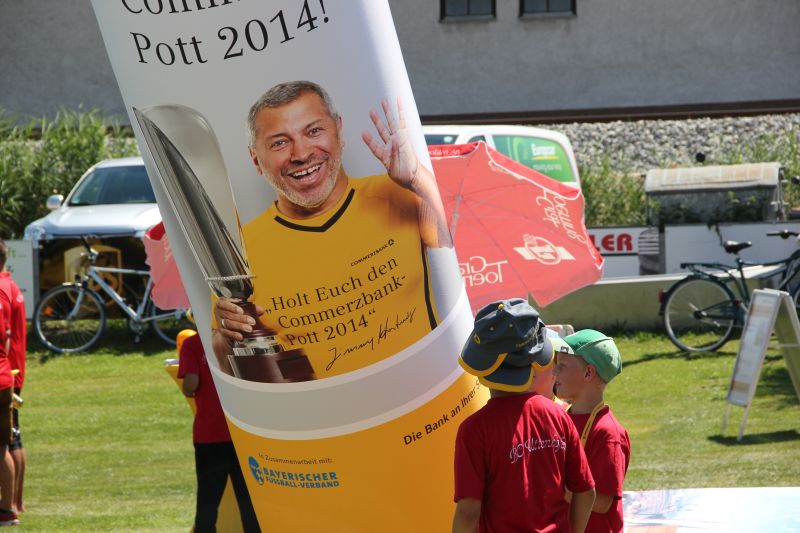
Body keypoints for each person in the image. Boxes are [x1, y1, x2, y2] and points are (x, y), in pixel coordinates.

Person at [214, 80, 452, 380]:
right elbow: (228, 365)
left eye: (314, 131)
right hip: (324, 410)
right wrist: (226, 334)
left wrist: (418, 179)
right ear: (255, 160)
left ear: (339, 131)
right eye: (279, 143)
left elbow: (451, 252)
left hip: (432, 397)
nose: (301, 153)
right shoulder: (238, 252)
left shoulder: (398, 194)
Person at [452, 298, 595, 533]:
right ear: (534, 360)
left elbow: (468, 512)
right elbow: (586, 491)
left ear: (481, 365)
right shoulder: (558, 415)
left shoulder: (474, 430)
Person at [178, 331, 261, 533]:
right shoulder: (240, 338)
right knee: (249, 501)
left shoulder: (192, 344)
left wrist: (187, 387)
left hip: (210, 436)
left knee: (208, 500)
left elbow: (191, 384)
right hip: (242, 432)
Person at [555, 329, 631, 533]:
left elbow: (603, 502)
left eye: (562, 366)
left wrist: (553, 484)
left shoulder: (608, 433)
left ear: (588, 373)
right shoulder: (560, 419)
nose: (554, 372)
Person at [0, 241, 20, 526]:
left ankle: (7, 508)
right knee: (3, 447)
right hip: (5, 375)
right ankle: (9, 508)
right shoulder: (8, 287)